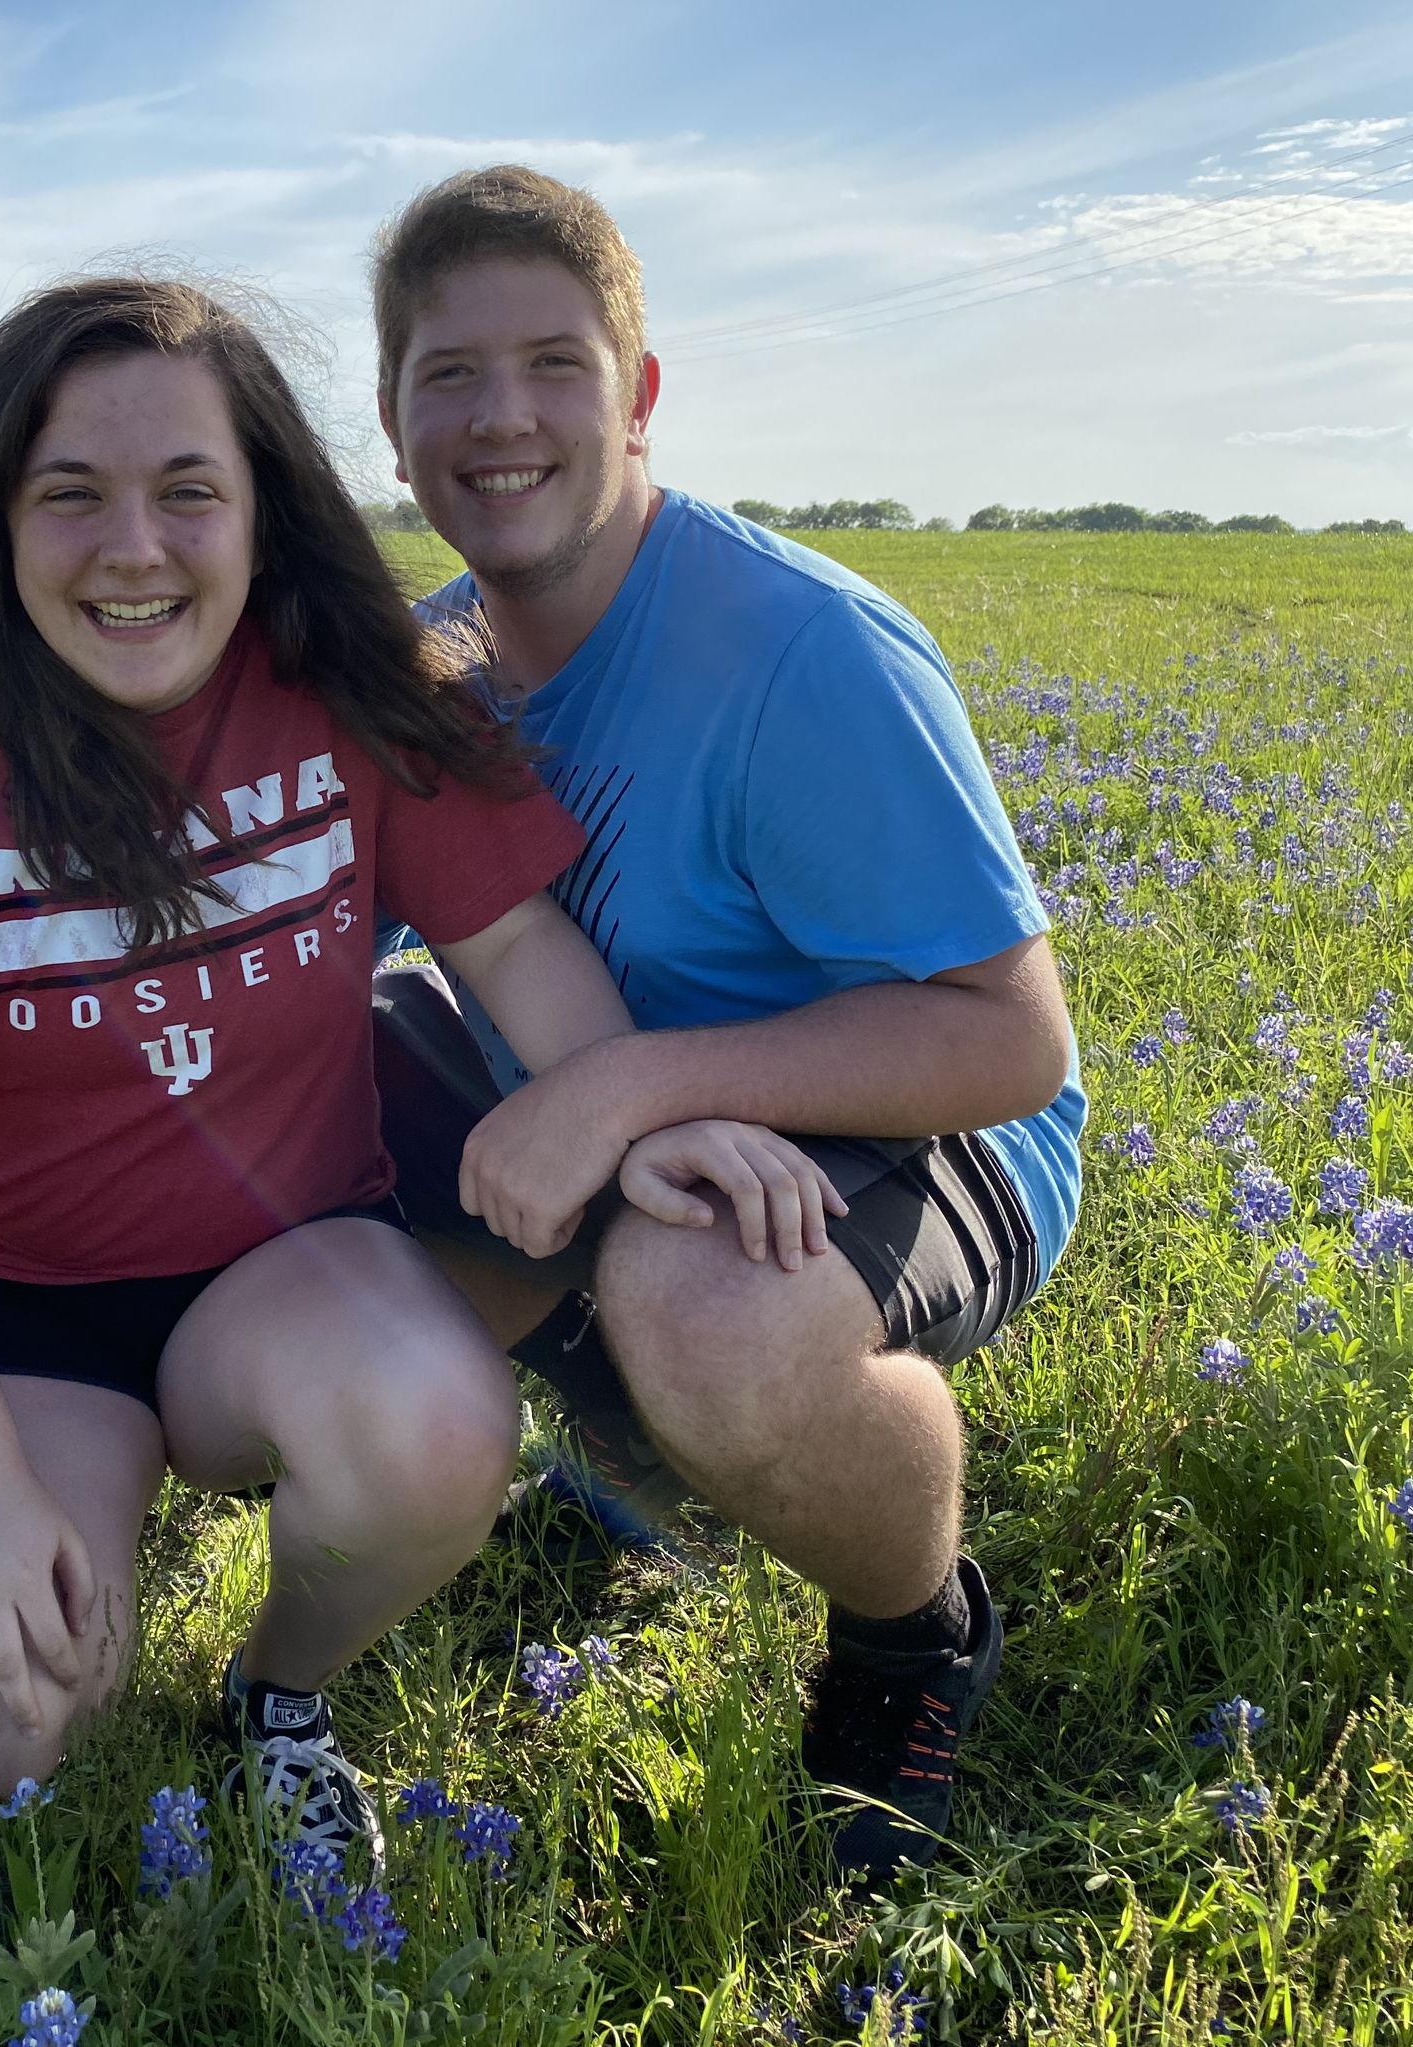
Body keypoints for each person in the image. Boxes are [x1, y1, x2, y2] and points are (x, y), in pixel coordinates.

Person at [0, 275, 841, 1874]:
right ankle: (32, 1505)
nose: (136, 548)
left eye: (191, 491)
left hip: (287, 1256)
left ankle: (280, 1695)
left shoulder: (345, 687)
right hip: (18, 1300)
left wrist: (641, 1110)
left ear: (264, 509)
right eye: (73, 497)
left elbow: (517, 946)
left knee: (429, 1429)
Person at [367, 167, 1085, 1884]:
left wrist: (637, 1083)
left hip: (918, 1115)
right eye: (448, 374)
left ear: (642, 391)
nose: (503, 416)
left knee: (709, 1311)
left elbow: (1011, 1040)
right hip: (626, 1094)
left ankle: (914, 1630)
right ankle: (631, 1473)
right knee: (323, 1120)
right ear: (392, 426)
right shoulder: (435, 657)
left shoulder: (796, 648)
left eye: (555, 361)